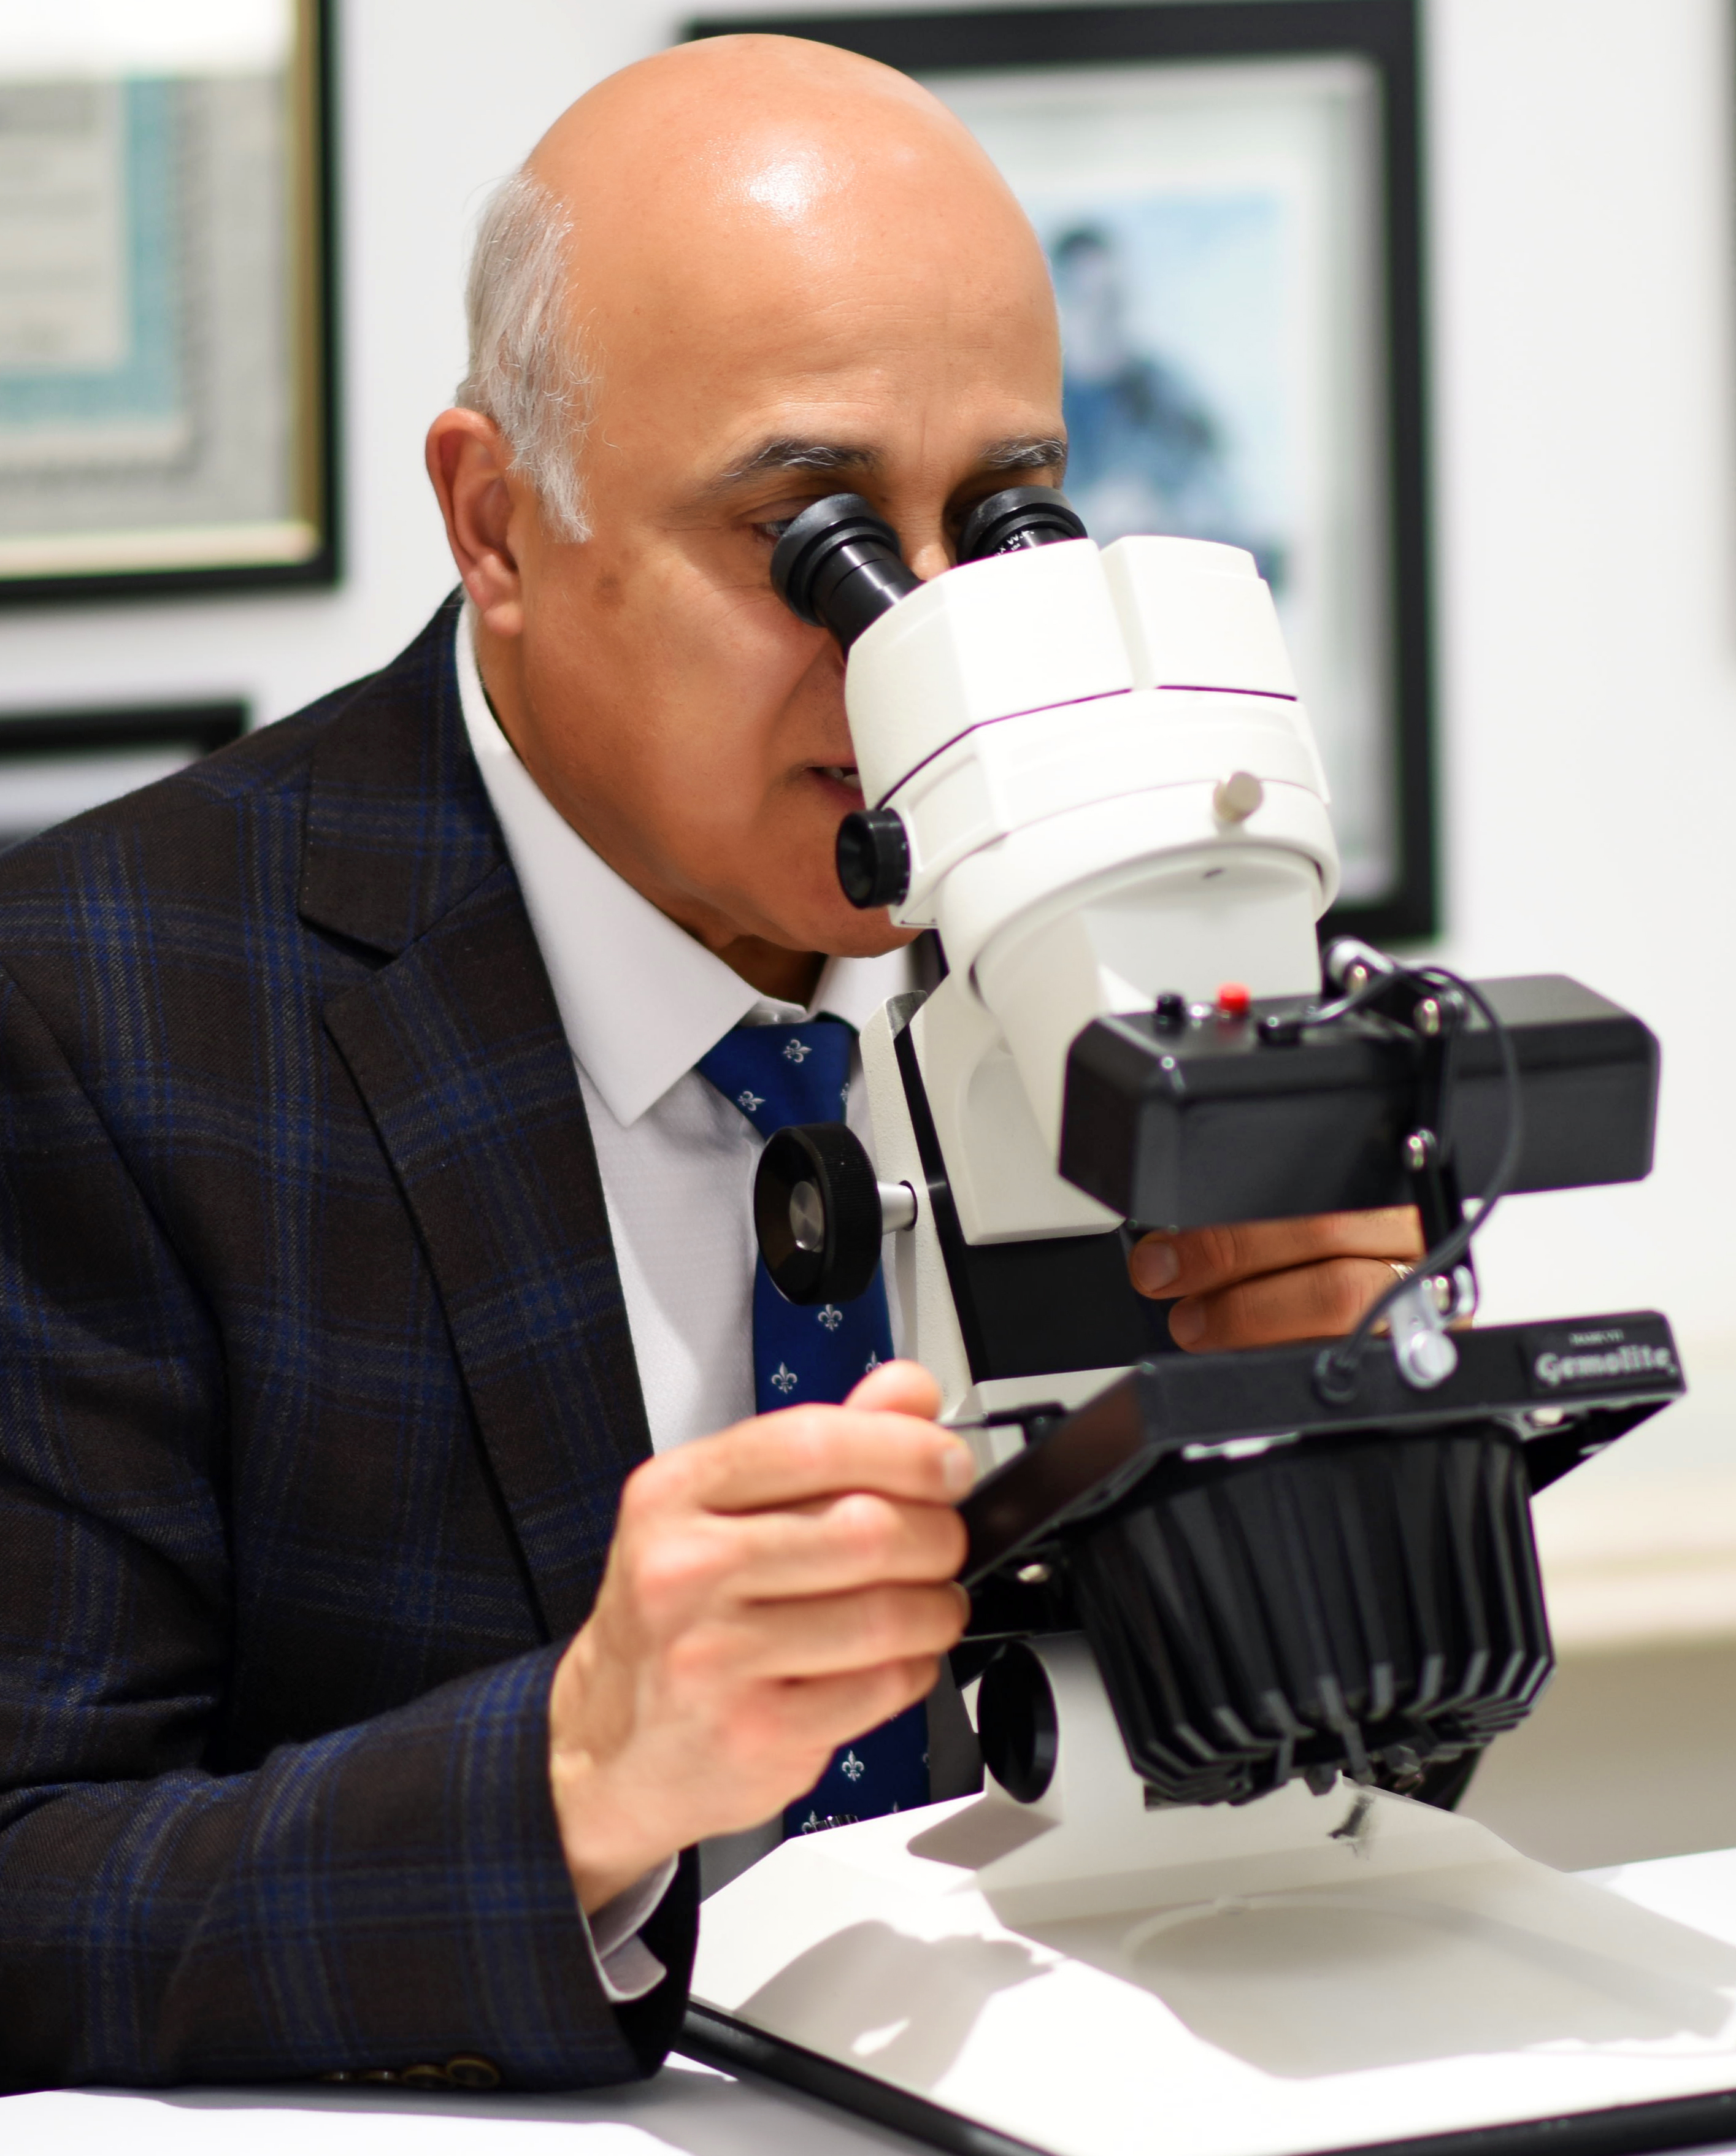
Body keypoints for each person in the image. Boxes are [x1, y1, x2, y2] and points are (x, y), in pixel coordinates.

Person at [0, 35, 1423, 2095]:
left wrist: (1342, 1460)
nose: (927, 648)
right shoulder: (104, 1019)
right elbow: (28, 1889)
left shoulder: (1103, 948)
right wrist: (577, 1773)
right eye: (817, 543)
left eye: (1006, 528)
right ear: (498, 524)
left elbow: (1346, 1774)